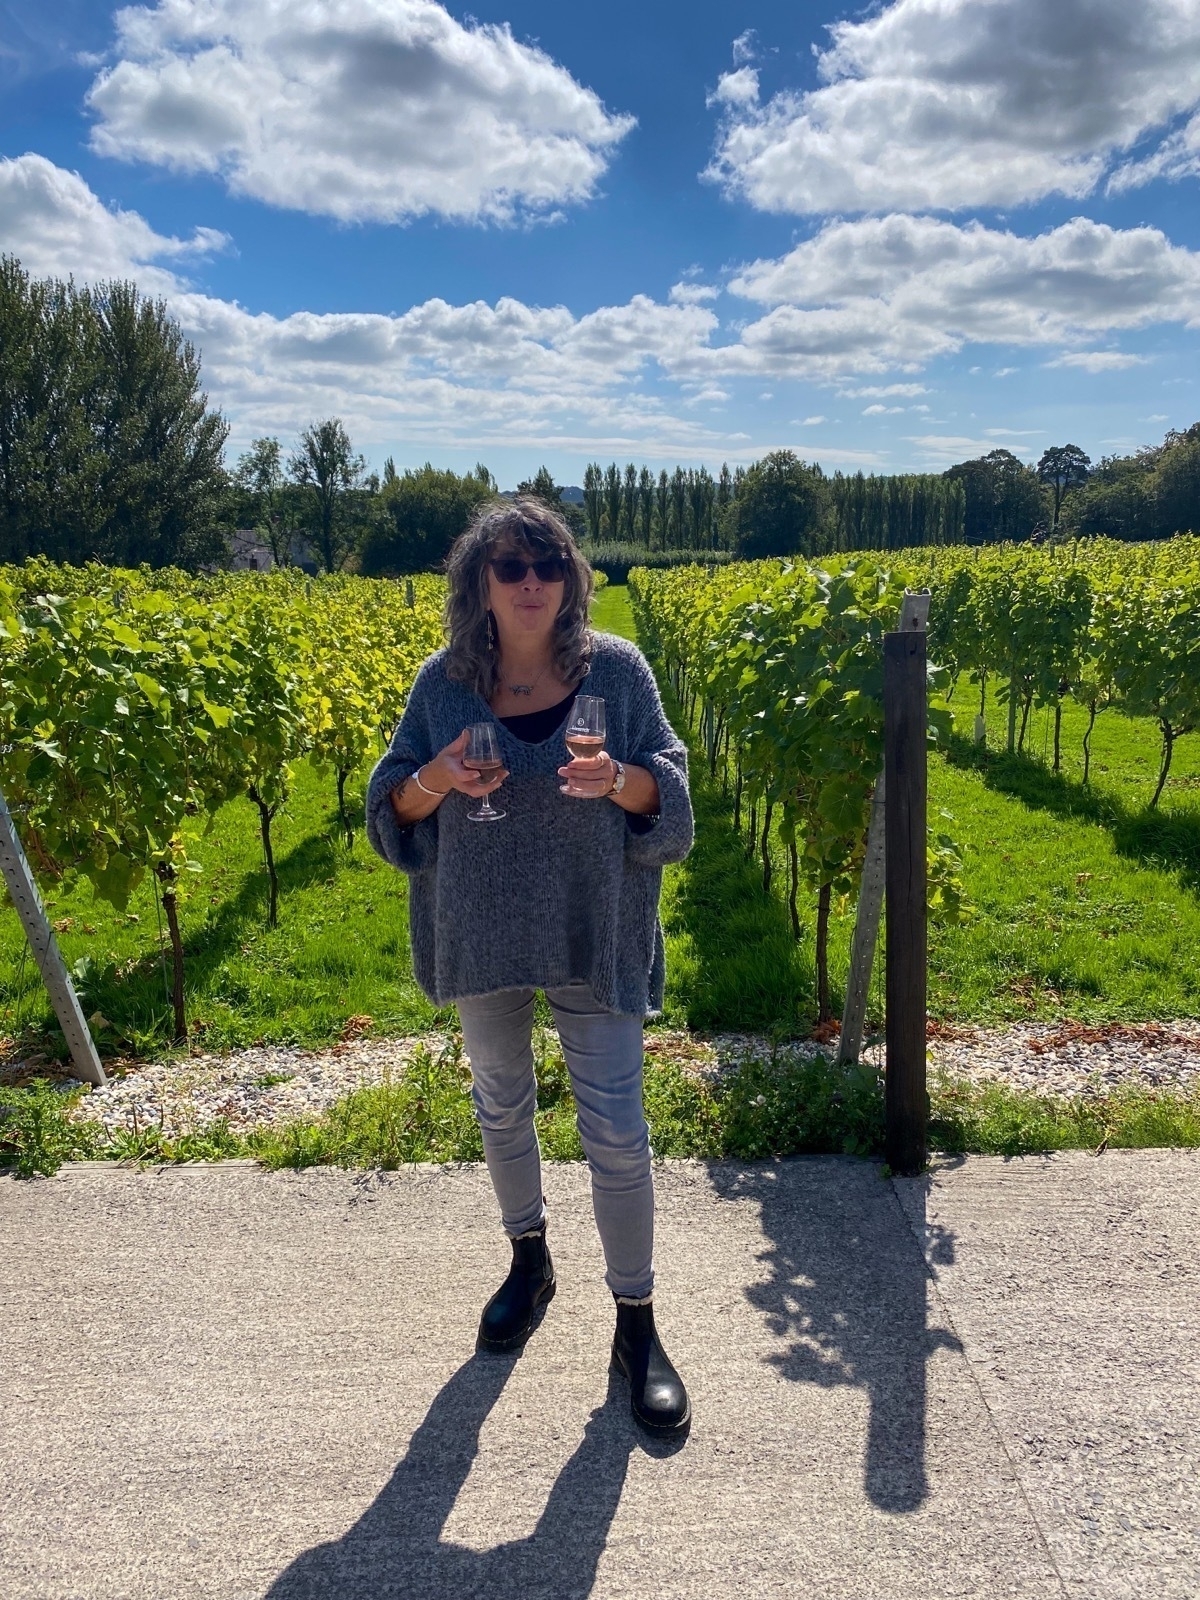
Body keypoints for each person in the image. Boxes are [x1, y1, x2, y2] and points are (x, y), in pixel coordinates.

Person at [365, 498, 694, 1438]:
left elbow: (669, 791)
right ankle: (529, 1259)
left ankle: (638, 1324)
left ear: (571, 576)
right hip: (484, 930)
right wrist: (436, 779)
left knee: (618, 1134)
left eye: (547, 562)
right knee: (502, 1104)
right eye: (508, 565)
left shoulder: (616, 673)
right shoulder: (444, 685)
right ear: (479, 582)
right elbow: (391, 808)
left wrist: (620, 782)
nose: (530, 581)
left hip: (596, 926)